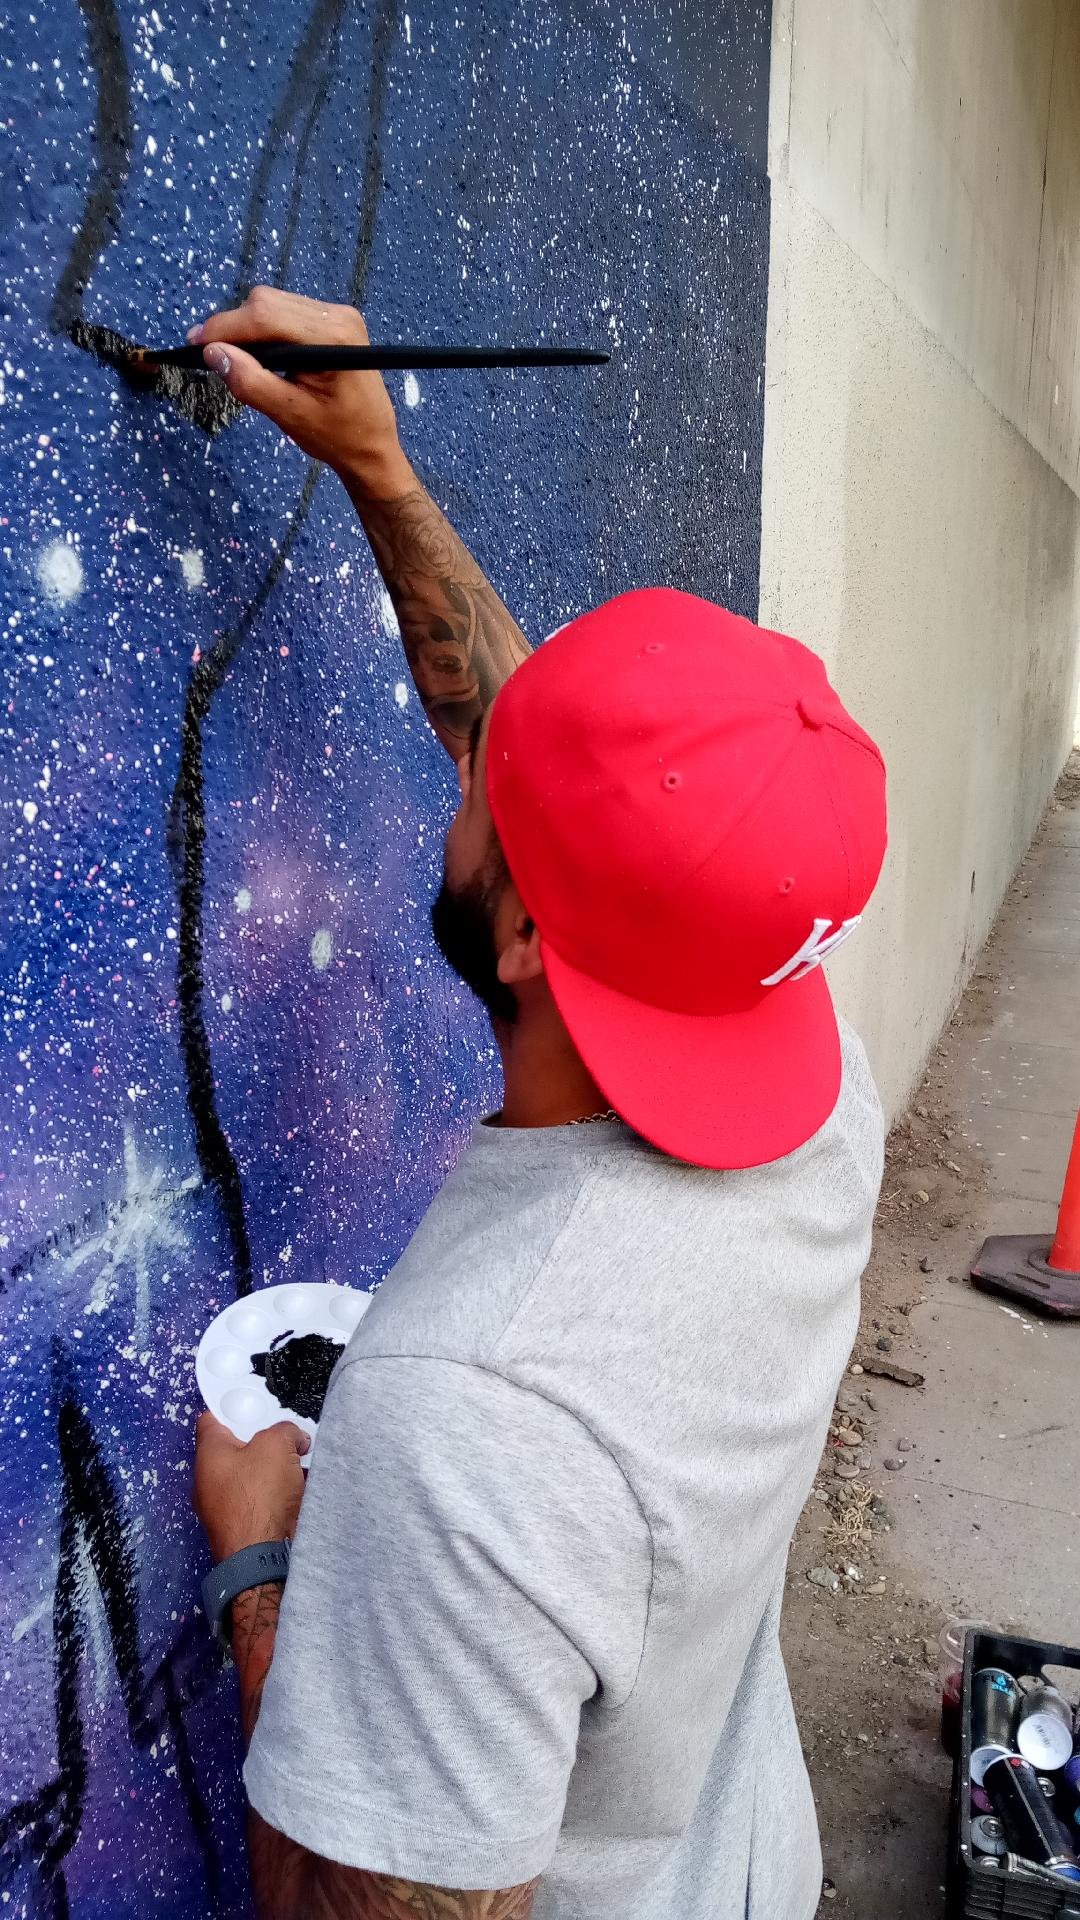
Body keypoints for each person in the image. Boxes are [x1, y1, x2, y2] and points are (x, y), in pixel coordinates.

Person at [193, 288, 888, 1920]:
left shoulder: (465, 1434)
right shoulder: (810, 1071)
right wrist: (382, 472)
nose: (481, 752)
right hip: (742, 1866)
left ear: (517, 936)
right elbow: (572, 798)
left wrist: (263, 1567)